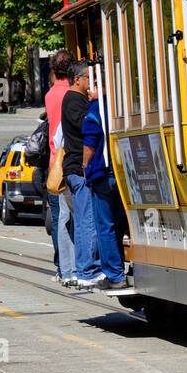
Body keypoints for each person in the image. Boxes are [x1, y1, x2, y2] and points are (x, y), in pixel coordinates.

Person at [77, 85, 126, 289]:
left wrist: (85, 165)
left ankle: (115, 275)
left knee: (105, 226)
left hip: (103, 173)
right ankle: (119, 268)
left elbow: (90, 141)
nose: (89, 90)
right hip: (122, 172)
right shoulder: (120, 103)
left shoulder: (96, 108)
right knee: (120, 223)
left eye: (94, 86)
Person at [59, 62, 103, 287]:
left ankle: (85, 268)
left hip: (74, 169)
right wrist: (96, 104)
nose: (91, 82)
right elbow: (87, 126)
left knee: (83, 221)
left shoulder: (75, 99)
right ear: (77, 79)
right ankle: (88, 270)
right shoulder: (74, 100)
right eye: (88, 78)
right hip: (78, 168)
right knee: (88, 221)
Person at [44, 49, 74, 283]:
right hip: (67, 161)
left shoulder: (51, 93)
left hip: (54, 162)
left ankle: (61, 266)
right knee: (70, 218)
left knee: (58, 218)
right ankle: (71, 267)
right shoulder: (70, 94)